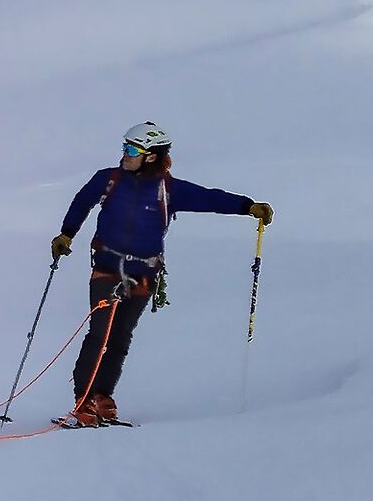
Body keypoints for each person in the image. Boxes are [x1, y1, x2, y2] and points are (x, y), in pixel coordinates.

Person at [49, 122, 272, 426]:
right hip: (106, 270)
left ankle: (103, 396)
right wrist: (66, 235)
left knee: (120, 338)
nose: (124, 155)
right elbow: (82, 201)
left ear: (151, 157)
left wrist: (248, 207)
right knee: (99, 334)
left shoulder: (168, 189)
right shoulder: (109, 179)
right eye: (125, 147)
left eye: (131, 150)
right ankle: (83, 400)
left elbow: (208, 198)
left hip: (144, 275)